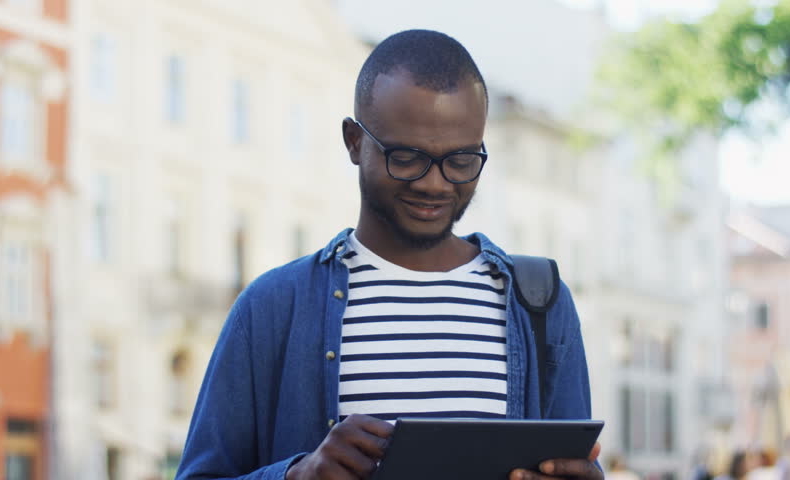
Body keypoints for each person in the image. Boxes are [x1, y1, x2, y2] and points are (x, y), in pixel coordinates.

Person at [176, 29, 600, 480]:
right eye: (407, 157)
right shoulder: (272, 308)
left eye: (460, 160)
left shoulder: (540, 305)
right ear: (354, 141)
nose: (434, 184)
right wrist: (297, 475)